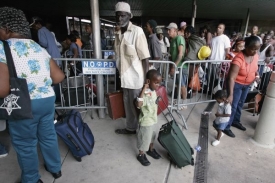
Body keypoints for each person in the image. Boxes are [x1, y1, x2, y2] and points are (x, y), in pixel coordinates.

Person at [0, 7, 65, 183]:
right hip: (47, 101)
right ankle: (55, 168)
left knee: (25, 144)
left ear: (6, 29)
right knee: (48, 136)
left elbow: (2, 89)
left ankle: (31, 179)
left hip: (24, 104)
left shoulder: (2, 47)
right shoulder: (37, 47)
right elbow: (58, 76)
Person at [114, 2, 150, 135]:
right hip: (124, 78)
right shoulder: (118, 33)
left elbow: (145, 57)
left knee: (137, 107)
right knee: (127, 106)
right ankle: (130, 128)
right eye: (117, 16)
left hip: (136, 79)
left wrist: (146, 80)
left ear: (129, 16)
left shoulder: (137, 31)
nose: (119, 19)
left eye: (122, 16)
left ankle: (143, 132)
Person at [224, 36, 261, 138]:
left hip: (247, 85)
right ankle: (226, 126)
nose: (255, 51)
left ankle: (235, 121)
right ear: (247, 47)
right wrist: (230, 94)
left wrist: (256, 75)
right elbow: (231, 78)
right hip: (236, 85)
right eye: (253, 49)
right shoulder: (238, 59)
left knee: (240, 104)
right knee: (233, 106)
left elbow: (255, 68)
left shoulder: (255, 56)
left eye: (257, 49)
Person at [136, 69, 162, 166]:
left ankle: (150, 150)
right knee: (144, 139)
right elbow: (139, 104)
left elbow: (153, 101)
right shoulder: (145, 93)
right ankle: (141, 155)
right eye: (156, 83)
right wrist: (144, 89)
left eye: (159, 83)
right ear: (148, 81)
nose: (158, 85)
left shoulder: (153, 91)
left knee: (152, 137)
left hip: (153, 119)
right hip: (146, 121)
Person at [167, 22, 187, 109]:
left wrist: (173, 66)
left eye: (169, 30)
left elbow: (180, 54)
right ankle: (178, 101)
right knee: (177, 84)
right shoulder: (172, 41)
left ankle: (184, 102)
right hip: (176, 66)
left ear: (175, 30)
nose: (168, 32)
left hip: (181, 66)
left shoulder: (179, 38)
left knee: (182, 85)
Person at [208, 23, 231, 94]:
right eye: (218, 27)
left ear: (223, 30)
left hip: (219, 62)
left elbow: (228, 50)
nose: (218, 28)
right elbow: (210, 49)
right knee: (210, 78)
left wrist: (225, 62)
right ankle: (211, 91)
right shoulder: (213, 39)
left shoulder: (225, 38)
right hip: (211, 61)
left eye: (220, 28)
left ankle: (216, 93)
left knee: (217, 79)